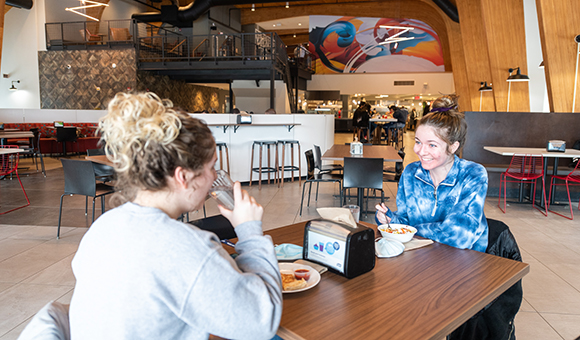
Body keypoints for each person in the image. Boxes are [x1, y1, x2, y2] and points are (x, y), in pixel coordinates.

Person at [69, 92, 282, 340]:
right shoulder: (185, 246)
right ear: (183, 177)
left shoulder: (103, 227)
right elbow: (260, 321)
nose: (215, 176)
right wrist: (249, 231)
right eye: (211, 167)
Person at [375, 95, 489, 252]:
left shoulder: (472, 174)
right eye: (418, 142)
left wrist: (411, 230)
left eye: (432, 145)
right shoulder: (411, 173)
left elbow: (460, 235)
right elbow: (404, 220)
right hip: (421, 256)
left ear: (453, 146)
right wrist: (390, 220)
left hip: (464, 262)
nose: (420, 151)